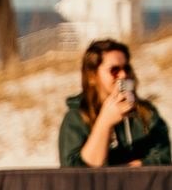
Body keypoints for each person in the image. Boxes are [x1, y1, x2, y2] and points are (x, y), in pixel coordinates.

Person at [58, 39, 170, 169]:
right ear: (92, 76)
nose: (123, 75)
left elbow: (164, 157)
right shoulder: (76, 118)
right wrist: (105, 123)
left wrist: (139, 166)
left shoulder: (145, 112)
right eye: (114, 70)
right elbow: (73, 171)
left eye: (126, 68)